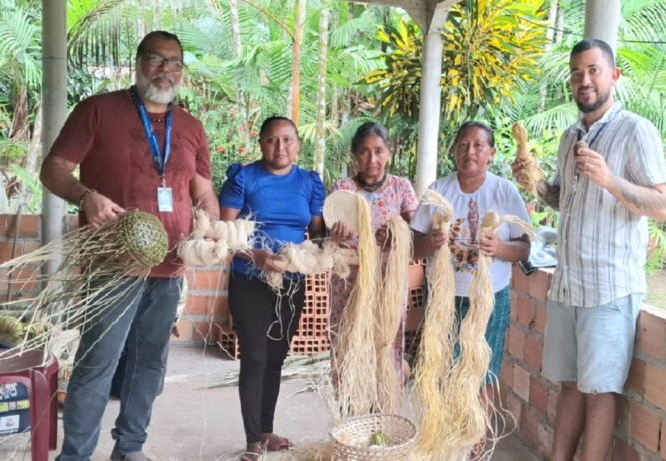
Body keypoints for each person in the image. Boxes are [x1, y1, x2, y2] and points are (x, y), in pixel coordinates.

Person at [39, 31, 220, 461]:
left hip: (170, 268)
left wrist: (213, 231)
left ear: (181, 71)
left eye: (174, 62)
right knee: (97, 364)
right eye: (156, 60)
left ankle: (130, 448)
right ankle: (76, 455)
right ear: (138, 63)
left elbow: (203, 194)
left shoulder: (191, 127)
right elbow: (54, 169)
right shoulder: (98, 111)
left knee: (150, 366)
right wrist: (86, 197)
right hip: (111, 266)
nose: (165, 70)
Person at [513, 39, 666, 461]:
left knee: (600, 392)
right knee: (568, 384)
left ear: (613, 76)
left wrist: (610, 180)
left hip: (609, 289)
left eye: (594, 70)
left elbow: (661, 206)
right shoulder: (570, 137)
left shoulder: (636, 130)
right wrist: (538, 186)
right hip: (568, 285)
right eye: (577, 72)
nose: (585, 80)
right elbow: (566, 201)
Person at [410, 121, 531, 452]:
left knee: (482, 375)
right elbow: (413, 245)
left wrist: (499, 250)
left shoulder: (504, 191)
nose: (470, 151)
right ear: (454, 151)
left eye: (478, 146)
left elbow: (524, 247)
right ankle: (445, 446)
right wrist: (431, 243)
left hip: (488, 301)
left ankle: (476, 449)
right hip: (444, 301)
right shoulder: (439, 191)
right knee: (443, 372)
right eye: (463, 144)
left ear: (491, 154)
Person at [218, 115, 325, 461]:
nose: (280, 147)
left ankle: (266, 430)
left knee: (276, 359)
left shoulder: (309, 182)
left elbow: (318, 234)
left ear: (298, 144)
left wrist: (334, 247)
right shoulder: (244, 178)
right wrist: (255, 255)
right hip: (249, 279)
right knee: (255, 357)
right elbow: (223, 235)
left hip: (292, 282)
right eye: (272, 140)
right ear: (261, 143)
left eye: (288, 140)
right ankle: (252, 442)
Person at [328, 121, 419, 382]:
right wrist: (338, 236)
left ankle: (383, 411)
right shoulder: (343, 189)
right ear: (355, 155)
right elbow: (331, 231)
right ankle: (350, 415)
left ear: (389, 152)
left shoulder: (401, 188)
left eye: (379, 151)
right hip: (349, 283)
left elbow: (415, 232)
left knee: (385, 345)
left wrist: (396, 235)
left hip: (387, 282)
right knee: (349, 345)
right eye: (365, 151)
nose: (372, 159)